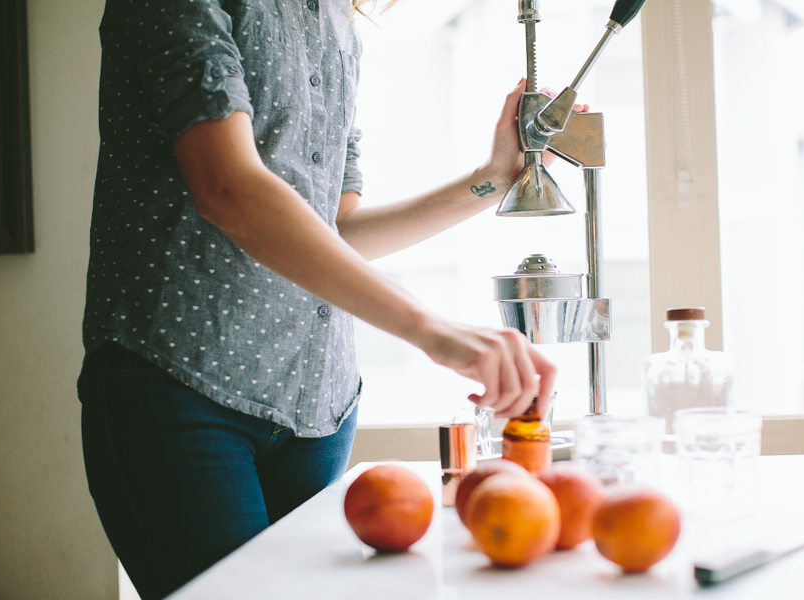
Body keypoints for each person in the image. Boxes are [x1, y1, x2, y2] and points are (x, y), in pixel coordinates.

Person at [77, 0, 575, 598]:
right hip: (183, 391)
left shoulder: (334, 20)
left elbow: (336, 229)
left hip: (318, 409)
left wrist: (495, 176)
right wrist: (435, 332)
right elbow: (227, 186)